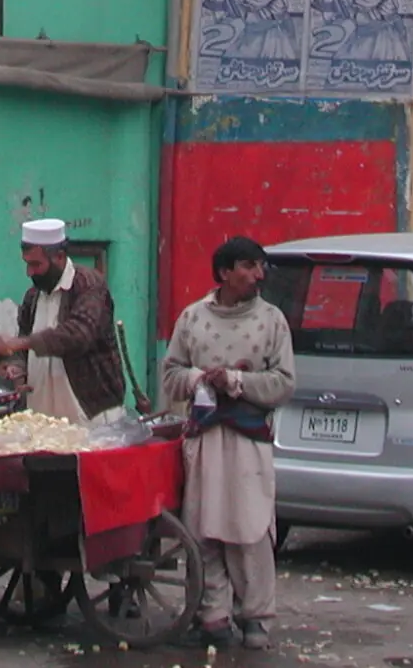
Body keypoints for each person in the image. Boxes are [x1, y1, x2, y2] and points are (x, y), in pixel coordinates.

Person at [160, 235, 294, 651]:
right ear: (224, 272)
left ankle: (256, 617)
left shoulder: (272, 321)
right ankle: (211, 616)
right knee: (203, 530)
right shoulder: (193, 318)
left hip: (248, 443)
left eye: (261, 267)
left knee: (251, 531)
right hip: (203, 439)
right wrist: (200, 378)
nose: (259, 275)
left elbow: (284, 384)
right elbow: (170, 375)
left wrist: (238, 382)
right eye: (249, 266)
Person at [0, 218, 126, 423]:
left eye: (36, 265)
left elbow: (78, 334)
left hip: (91, 415)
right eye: (27, 264)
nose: (29, 272)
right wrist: (18, 370)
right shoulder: (33, 297)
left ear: (59, 257)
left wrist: (23, 342)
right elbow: (23, 349)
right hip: (44, 418)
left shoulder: (89, 286)